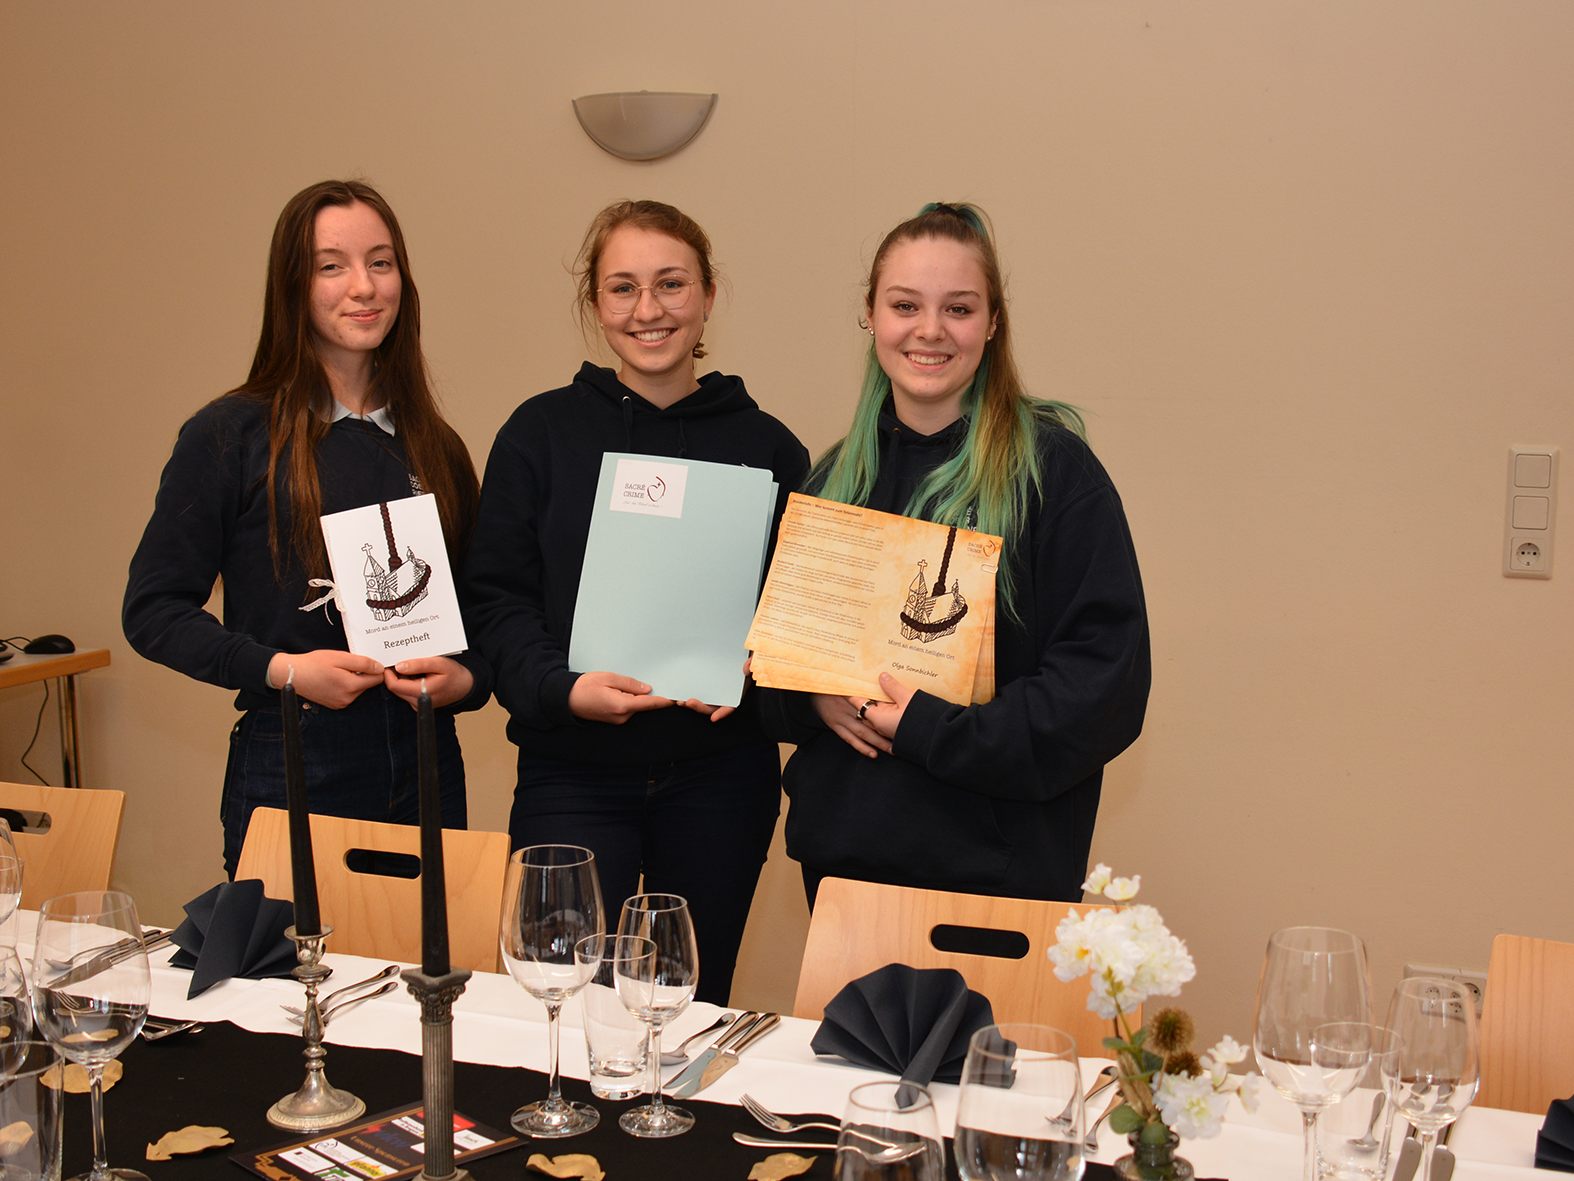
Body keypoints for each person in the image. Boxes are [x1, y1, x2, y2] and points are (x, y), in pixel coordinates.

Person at [465, 200, 808, 1004]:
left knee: (687, 998)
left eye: (670, 284)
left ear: (709, 294)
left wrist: (760, 672)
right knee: (561, 995)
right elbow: (497, 600)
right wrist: (562, 687)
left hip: (721, 777)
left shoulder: (769, 447)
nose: (648, 310)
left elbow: (797, 615)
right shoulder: (537, 435)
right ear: (595, 305)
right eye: (622, 288)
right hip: (571, 771)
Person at [759, 202, 1151, 907]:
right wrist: (811, 697)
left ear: (993, 322)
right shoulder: (833, 480)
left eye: (959, 308)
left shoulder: (1055, 475)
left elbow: (1102, 688)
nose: (930, 330)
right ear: (871, 316)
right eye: (905, 304)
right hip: (845, 876)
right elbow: (771, 672)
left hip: (997, 880)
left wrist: (928, 729)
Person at [124, 179, 488, 876]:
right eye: (332, 265)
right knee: (291, 981)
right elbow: (152, 610)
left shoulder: (435, 445)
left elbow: (484, 624)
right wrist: (284, 670)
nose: (364, 287)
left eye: (381, 263)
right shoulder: (230, 435)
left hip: (427, 763)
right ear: (293, 285)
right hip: (291, 754)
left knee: (430, 978)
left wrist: (463, 681)